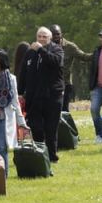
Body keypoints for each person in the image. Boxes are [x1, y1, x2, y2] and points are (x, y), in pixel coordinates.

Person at [22, 26, 65, 163]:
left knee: (51, 128)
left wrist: (41, 50)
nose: (41, 39)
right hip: (35, 96)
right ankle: (40, 154)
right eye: (39, 36)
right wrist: (21, 92)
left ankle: (52, 157)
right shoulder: (30, 52)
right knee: (36, 127)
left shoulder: (57, 50)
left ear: (50, 38)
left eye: (44, 37)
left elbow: (55, 62)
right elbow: (24, 72)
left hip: (53, 95)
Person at [52, 24, 92, 112]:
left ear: (61, 34)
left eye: (57, 34)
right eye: (53, 34)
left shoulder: (70, 46)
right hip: (50, 84)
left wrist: (98, 54)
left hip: (65, 84)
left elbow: (83, 56)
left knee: (64, 110)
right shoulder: (46, 47)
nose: (55, 36)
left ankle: (65, 126)